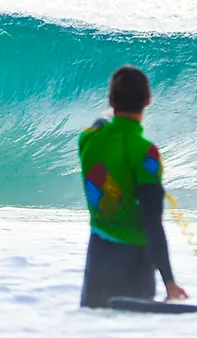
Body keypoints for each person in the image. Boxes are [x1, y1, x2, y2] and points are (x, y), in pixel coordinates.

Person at [78, 66, 188, 307]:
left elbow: (101, 120)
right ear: (148, 100)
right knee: (131, 337)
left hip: (97, 256)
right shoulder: (145, 151)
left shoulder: (87, 138)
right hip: (133, 261)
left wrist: (112, 107)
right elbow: (152, 221)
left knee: (93, 332)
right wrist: (169, 280)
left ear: (110, 100)